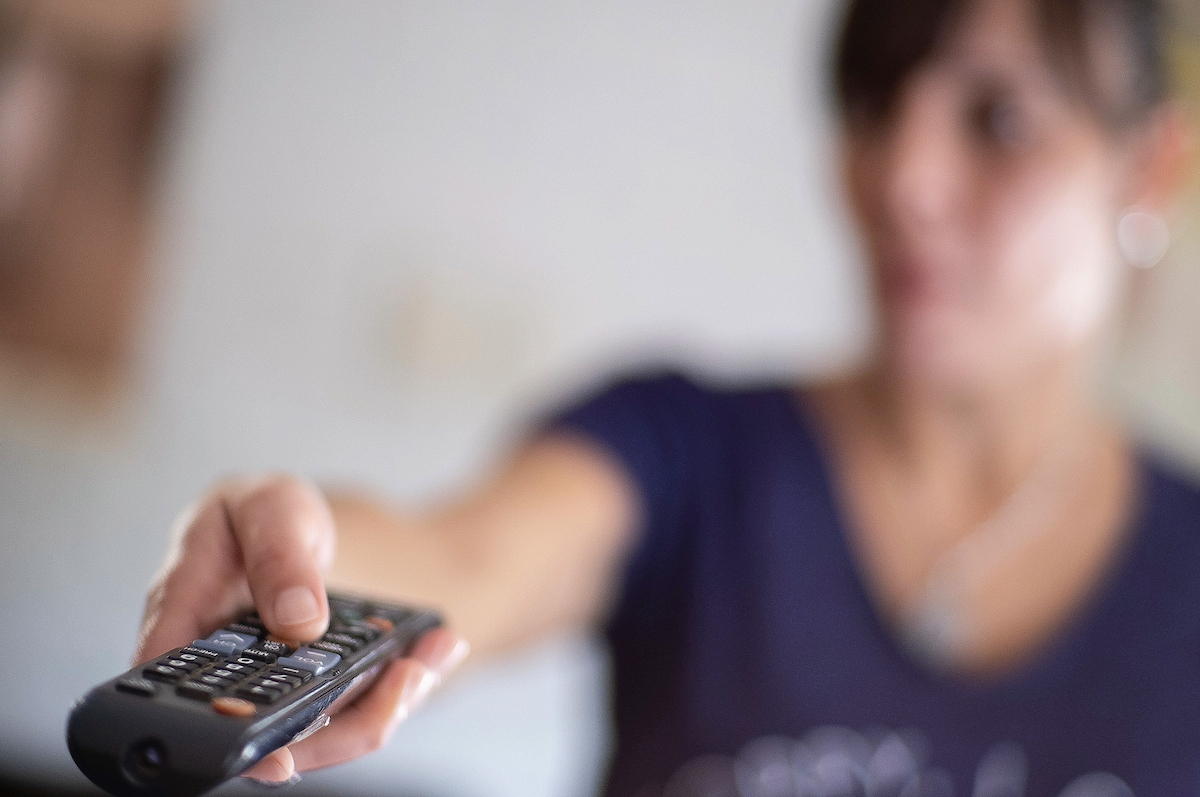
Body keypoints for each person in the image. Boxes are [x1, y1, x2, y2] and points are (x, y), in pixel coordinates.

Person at [131, 0, 1197, 794]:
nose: (901, 179)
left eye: (998, 119)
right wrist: (292, 570)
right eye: (874, 106)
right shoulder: (685, 453)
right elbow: (461, 559)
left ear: (1149, 167)